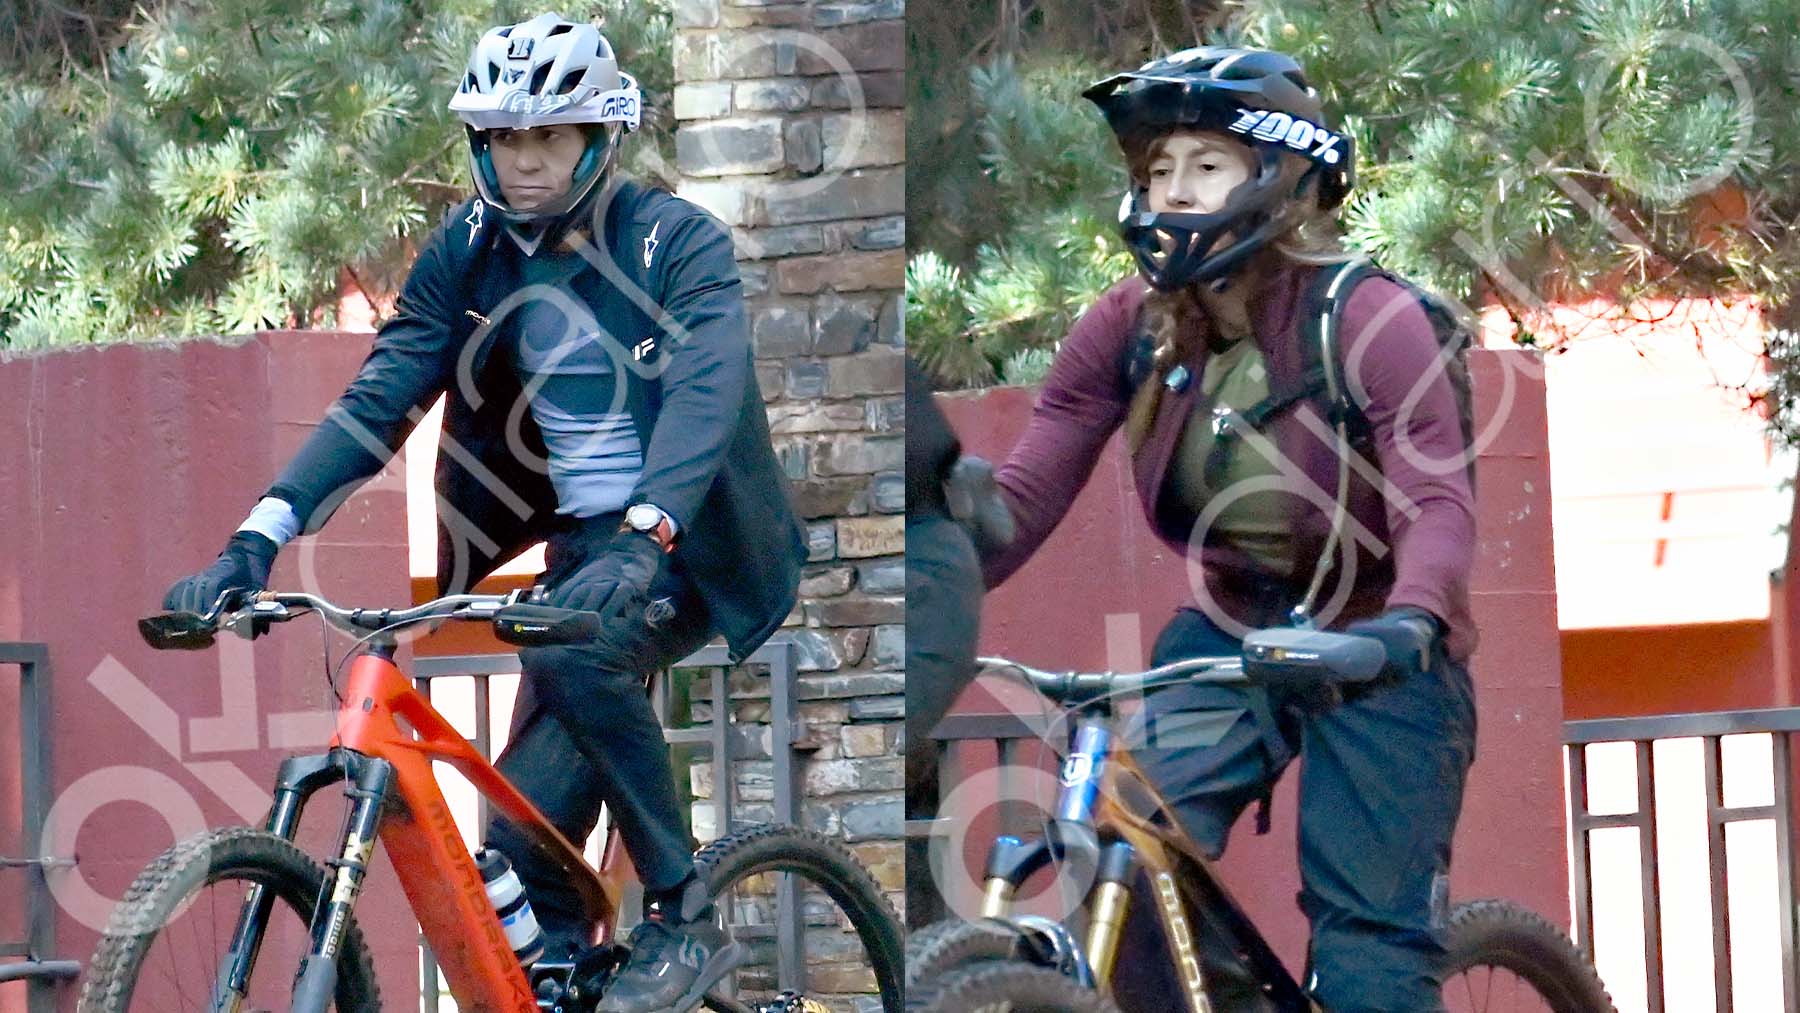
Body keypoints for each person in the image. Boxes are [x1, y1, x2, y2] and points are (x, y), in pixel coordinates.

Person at [160, 14, 805, 1012]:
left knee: (574, 652)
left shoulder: (678, 243)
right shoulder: (466, 252)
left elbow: (704, 397)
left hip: (691, 546)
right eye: (503, 140)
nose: (524, 163)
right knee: (522, 853)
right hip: (583, 557)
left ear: (598, 139)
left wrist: (648, 533)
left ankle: (684, 914)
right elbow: (382, 399)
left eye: (546, 137)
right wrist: (260, 533)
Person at [977, 47, 1479, 1012]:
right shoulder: (1129, 325)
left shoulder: (1370, 319)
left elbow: (1437, 498)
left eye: (1204, 167)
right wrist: (938, 577)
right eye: (1156, 170)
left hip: (1381, 645)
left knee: (1370, 945)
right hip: (1233, 631)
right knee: (1112, 846)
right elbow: (1022, 497)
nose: (1172, 191)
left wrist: (1412, 620)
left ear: (1278, 180)